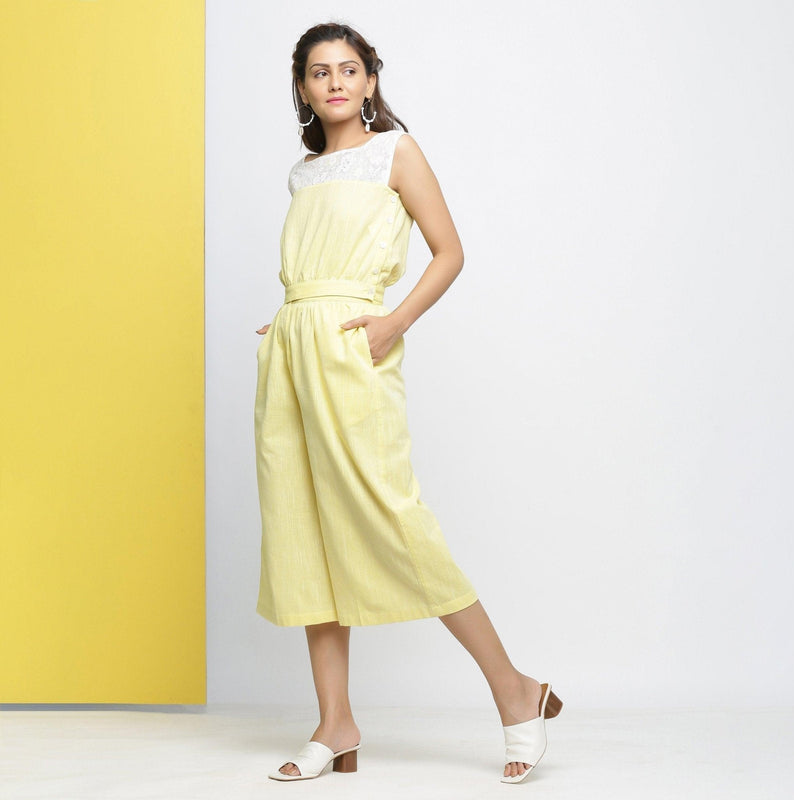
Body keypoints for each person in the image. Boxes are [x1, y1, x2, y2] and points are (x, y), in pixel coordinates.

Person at [254, 21, 562, 784]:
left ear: (369, 80)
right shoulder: (301, 173)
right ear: (302, 87)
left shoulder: (396, 151)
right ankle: (336, 722)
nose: (334, 82)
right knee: (304, 532)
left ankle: (514, 689)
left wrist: (393, 321)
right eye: (319, 72)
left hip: (356, 349)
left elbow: (448, 249)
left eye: (348, 69)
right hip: (291, 354)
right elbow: (314, 266)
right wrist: (293, 319)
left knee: (397, 521)